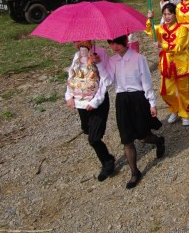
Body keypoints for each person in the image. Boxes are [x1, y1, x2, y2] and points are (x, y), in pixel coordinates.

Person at [96, 35, 165, 189]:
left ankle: (159, 141)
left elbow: (147, 81)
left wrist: (152, 103)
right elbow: (107, 82)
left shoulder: (139, 58)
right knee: (127, 139)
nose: (114, 46)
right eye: (111, 43)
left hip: (138, 98)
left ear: (126, 41)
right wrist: (100, 64)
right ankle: (135, 172)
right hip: (121, 100)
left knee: (142, 135)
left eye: (117, 42)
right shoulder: (112, 61)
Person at [65, 41, 115, 182]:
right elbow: (72, 76)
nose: (79, 44)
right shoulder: (77, 56)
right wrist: (69, 96)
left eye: (82, 40)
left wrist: (96, 101)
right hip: (81, 103)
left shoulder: (100, 53)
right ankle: (105, 156)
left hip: (97, 103)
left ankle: (107, 161)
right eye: (76, 41)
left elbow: (106, 81)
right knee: (87, 130)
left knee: (93, 138)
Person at [146, 4, 189, 126]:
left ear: (175, 14)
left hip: (181, 64)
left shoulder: (182, 29)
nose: (167, 17)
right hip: (167, 64)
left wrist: (162, 46)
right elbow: (150, 32)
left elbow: (179, 47)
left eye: (169, 14)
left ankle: (185, 114)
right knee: (165, 92)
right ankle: (175, 108)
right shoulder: (161, 28)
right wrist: (150, 19)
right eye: (165, 14)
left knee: (183, 90)